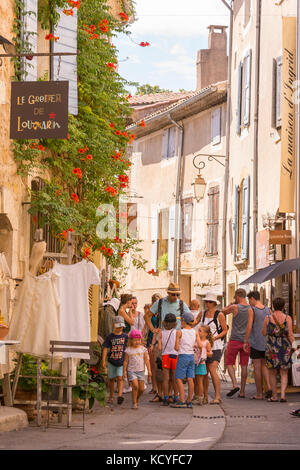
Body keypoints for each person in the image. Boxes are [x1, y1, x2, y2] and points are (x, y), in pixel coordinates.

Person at [262, 297, 296, 402]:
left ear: (273, 306)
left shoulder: (267, 318)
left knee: (272, 373)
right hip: (284, 347)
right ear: (283, 306)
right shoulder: (288, 318)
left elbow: (263, 333)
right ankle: (282, 395)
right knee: (284, 373)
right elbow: (290, 335)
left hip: (271, 347)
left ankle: (274, 396)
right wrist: (296, 348)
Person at [195, 293, 227, 404]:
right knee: (204, 373)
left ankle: (217, 396)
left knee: (212, 370)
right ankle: (204, 396)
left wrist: (214, 337)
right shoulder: (202, 313)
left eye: (210, 302)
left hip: (216, 346)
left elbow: (225, 330)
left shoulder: (220, 315)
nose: (207, 303)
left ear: (214, 303)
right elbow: (194, 322)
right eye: (206, 301)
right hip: (203, 348)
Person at [222, 288, 251, 398]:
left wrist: (231, 303)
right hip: (246, 340)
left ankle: (234, 384)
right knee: (244, 365)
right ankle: (242, 391)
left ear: (237, 297)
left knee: (229, 363)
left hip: (234, 339)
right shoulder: (250, 309)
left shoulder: (235, 307)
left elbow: (223, 311)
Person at [243, 291, 272, 400]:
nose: (249, 302)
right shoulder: (267, 309)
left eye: (249, 300)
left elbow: (249, 325)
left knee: (257, 367)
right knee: (265, 366)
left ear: (253, 298)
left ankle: (259, 393)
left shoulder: (252, 310)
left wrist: (246, 340)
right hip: (266, 341)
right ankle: (269, 386)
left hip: (255, 342)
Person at [171, 311, 202, 409]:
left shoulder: (180, 332)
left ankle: (182, 400)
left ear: (184, 321)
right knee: (190, 378)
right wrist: (193, 345)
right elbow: (200, 345)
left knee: (179, 378)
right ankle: (189, 400)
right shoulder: (195, 332)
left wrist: (180, 345)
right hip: (191, 356)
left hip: (182, 356)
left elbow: (176, 347)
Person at [101, 315, 128, 405]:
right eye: (118, 326)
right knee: (111, 379)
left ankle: (120, 396)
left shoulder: (125, 336)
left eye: (121, 327)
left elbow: (128, 349)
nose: (120, 328)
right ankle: (111, 396)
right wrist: (103, 360)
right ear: (114, 325)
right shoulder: (110, 337)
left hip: (121, 361)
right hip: (111, 361)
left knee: (120, 378)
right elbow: (105, 348)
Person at [123, 330, 152, 409]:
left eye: (138, 340)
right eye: (135, 340)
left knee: (141, 389)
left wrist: (149, 371)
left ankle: (136, 399)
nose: (137, 342)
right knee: (135, 386)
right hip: (131, 371)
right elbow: (125, 362)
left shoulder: (143, 349)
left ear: (141, 340)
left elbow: (146, 361)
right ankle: (134, 402)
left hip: (141, 371)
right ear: (131, 340)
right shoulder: (128, 350)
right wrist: (124, 372)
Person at [157, 313, 179, 406]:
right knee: (175, 378)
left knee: (165, 378)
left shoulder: (161, 332)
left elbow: (159, 347)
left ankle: (165, 398)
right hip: (175, 355)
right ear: (175, 323)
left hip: (165, 356)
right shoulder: (177, 332)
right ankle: (176, 397)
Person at [145, 294, 162, 397]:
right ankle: (154, 387)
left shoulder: (161, 313)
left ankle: (159, 387)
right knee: (152, 364)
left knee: (159, 364)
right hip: (151, 338)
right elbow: (146, 325)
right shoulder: (150, 313)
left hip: (159, 339)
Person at [193, 325, 214, 405]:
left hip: (201, 363)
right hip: (194, 362)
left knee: (200, 381)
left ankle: (200, 397)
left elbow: (210, 353)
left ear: (205, 334)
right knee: (194, 381)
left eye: (200, 331)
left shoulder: (206, 342)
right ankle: (196, 395)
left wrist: (203, 350)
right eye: (198, 330)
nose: (198, 332)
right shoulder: (196, 341)